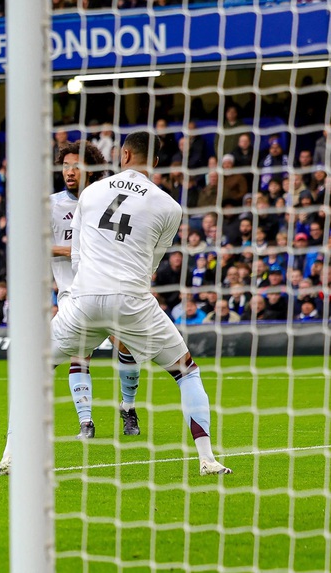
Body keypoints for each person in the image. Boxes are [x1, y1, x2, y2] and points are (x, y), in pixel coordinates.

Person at [50, 131, 230, 477]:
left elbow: (79, 258)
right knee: (186, 371)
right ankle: (207, 459)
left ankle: (12, 456)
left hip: (83, 296)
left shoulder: (91, 192)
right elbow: (150, 266)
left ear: (123, 155)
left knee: (36, 370)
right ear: (157, 163)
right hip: (131, 298)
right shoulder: (169, 206)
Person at [0, 141, 142, 476]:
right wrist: (77, 250)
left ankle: (128, 406)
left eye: (75, 165)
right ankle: (84, 422)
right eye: (65, 165)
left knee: (127, 348)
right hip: (72, 296)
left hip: (109, 289)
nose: (69, 171)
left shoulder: (109, 201)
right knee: (68, 358)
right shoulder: (51, 205)